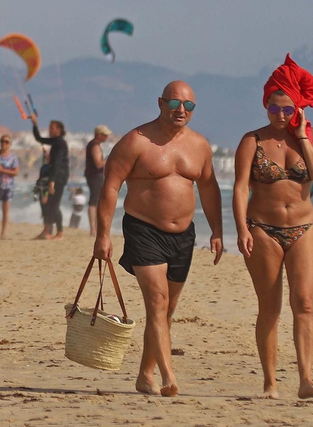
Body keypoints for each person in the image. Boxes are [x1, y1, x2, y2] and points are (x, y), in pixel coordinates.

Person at [93, 81, 224, 398]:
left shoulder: (200, 146)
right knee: (157, 303)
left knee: (166, 311)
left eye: (188, 105)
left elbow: (208, 188)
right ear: (160, 103)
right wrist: (102, 235)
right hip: (143, 230)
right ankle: (168, 377)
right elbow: (111, 186)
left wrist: (218, 230)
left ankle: (144, 375)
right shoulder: (136, 141)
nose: (181, 110)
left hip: (183, 236)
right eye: (175, 103)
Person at [233, 58, 313, 400]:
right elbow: (239, 188)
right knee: (270, 307)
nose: (279, 114)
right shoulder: (252, 140)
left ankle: (306, 380)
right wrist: (241, 229)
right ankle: (270, 382)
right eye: (273, 108)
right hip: (262, 229)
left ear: (297, 107)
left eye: (287, 108)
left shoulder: (312, 135)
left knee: (304, 302)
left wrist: (303, 136)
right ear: (266, 106)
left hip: (303, 228)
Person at [33, 120, 69, 239]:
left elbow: (57, 163)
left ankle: (60, 232)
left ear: (58, 130)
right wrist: (34, 123)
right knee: (49, 204)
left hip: (59, 177)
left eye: (51, 128)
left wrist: (52, 181)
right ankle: (46, 231)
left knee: (54, 204)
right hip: (55, 175)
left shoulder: (60, 143)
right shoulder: (55, 141)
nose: (49, 130)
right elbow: (39, 139)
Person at [85, 126, 110, 236]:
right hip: (95, 175)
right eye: (105, 135)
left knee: (96, 200)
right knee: (94, 201)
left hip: (94, 175)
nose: (106, 137)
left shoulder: (94, 145)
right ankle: (93, 229)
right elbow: (99, 163)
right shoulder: (95, 146)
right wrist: (110, 159)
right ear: (99, 135)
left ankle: (94, 229)